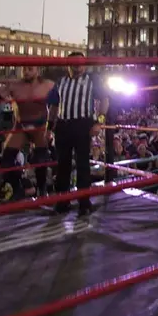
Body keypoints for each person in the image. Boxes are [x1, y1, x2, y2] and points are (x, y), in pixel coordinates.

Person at [48, 52, 109, 216]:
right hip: (63, 125)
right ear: (68, 64)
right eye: (75, 63)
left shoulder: (92, 80)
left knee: (82, 164)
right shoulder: (61, 82)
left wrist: (99, 121)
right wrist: (49, 127)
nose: (78, 66)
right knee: (62, 165)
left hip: (83, 124)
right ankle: (62, 201)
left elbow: (105, 99)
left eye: (81, 63)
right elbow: (54, 106)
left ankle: (84, 202)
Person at [4, 66, 56, 196]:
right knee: (6, 158)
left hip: (40, 124)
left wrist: (51, 127)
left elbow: (58, 103)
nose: (26, 72)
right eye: (24, 69)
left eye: (30, 69)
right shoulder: (15, 85)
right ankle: (18, 188)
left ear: (37, 70)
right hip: (21, 124)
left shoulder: (48, 85)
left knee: (40, 159)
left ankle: (41, 190)